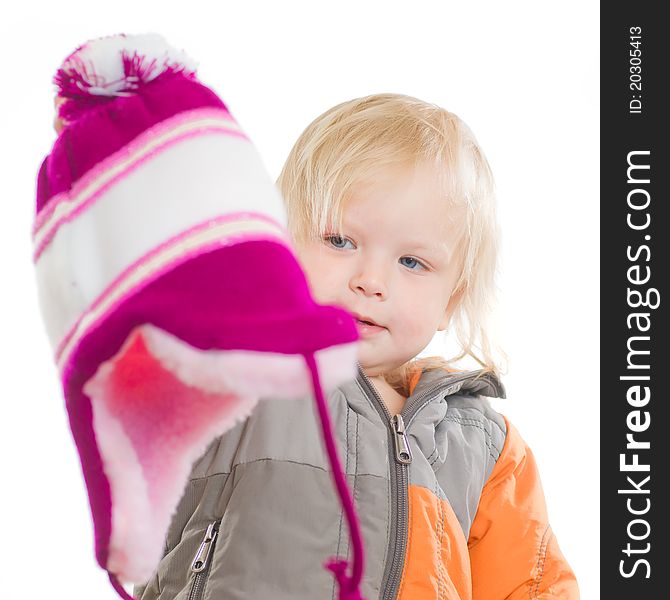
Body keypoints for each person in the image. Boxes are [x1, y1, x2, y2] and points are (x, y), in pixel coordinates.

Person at [134, 93, 579, 599]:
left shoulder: (487, 448)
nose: (370, 281)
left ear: (451, 299)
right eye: (340, 241)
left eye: (412, 262)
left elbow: (530, 585)